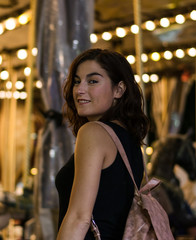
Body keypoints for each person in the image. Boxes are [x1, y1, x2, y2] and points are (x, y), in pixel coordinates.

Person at [55, 48, 150, 239]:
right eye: (76, 81)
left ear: (119, 89)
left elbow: (79, 217)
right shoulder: (130, 142)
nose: (80, 89)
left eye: (92, 81)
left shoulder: (93, 132)